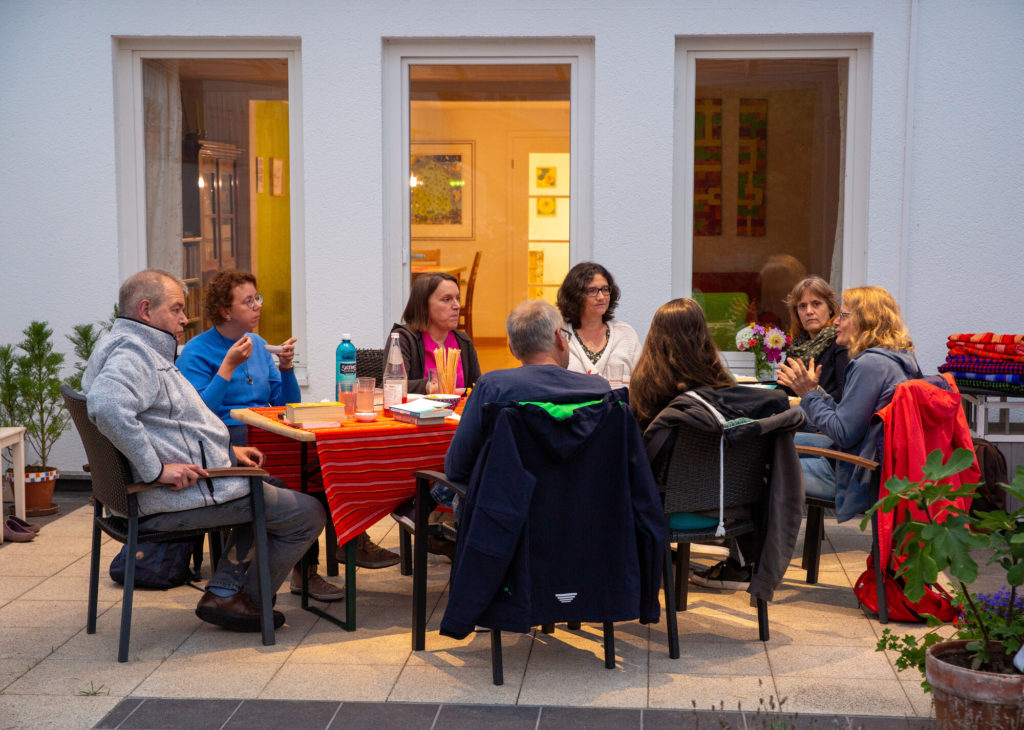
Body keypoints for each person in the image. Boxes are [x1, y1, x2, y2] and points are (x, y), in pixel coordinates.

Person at [82, 269, 325, 632]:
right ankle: (245, 601)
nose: (184, 318)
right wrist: (155, 470)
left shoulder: (123, 345)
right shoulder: (135, 353)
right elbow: (106, 405)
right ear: (146, 310)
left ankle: (225, 590)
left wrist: (226, 453)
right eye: (177, 309)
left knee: (268, 484)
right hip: (166, 496)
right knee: (307, 512)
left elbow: (173, 424)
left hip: (166, 488)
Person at [176, 270, 347, 601]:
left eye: (258, 298)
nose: (258, 306)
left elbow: (285, 405)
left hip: (266, 431)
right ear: (226, 310)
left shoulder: (256, 344)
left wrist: (285, 369)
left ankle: (336, 549)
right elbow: (198, 416)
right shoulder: (197, 351)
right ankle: (305, 571)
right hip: (228, 438)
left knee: (323, 461)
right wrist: (226, 367)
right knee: (304, 469)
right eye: (248, 300)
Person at [632, 298, 804, 598]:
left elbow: (642, 460)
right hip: (736, 508)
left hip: (668, 509)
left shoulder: (648, 390)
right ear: (703, 336)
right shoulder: (728, 394)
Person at [776, 285, 922, 523]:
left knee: (760, 464)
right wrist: (816, 391)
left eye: (843, 315)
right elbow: (850, 419)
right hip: (870, 463)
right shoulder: (897, 359)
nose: (835, 322)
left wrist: (808, 395)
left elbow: (844, 433)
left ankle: (761, 558)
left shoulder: (869, 365)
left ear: (866, 320)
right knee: (774, 439)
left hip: (854, 473)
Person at [445, 299, 611, 484]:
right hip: (586, 503)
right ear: (559, 338)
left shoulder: (493, 387)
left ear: (512, 350)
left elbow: (457, 468)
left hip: (511, 507)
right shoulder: (599, 389)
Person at [389, 273, 482, 394]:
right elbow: (392, 384)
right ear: (424, 305)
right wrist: (427, 386)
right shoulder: (403, 339)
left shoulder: (463, 341)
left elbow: (477, 389)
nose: (457, 306)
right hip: (416, 412)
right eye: (447, 299)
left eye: (457, 298)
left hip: (459, 412)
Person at [556, 262, 641, 380]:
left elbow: (642, 383)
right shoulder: (560, 335)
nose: (601, 297)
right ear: (575, 296)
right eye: (592, 290)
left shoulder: (625, 334)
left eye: (605, 289)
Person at [781, 276, 848, 402]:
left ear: (831, 308)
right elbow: (783, 389)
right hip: (795, 415)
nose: (809, 311)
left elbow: (843, 394)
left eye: (816, 304)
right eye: (802, 306)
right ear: (796, 313)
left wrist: (804, 401)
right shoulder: (797, 346)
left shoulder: (840, 342)